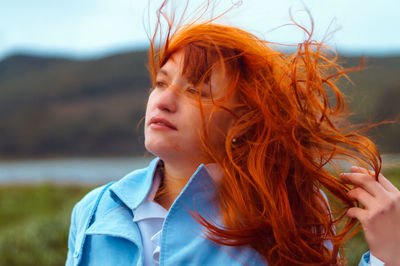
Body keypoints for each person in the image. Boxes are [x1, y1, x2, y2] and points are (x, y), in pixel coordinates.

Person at [66, 1, 400, 265]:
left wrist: (390, 254)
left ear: (243, 120)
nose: (164, 100)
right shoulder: (95, 210)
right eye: (162, 82)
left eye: (198, 90)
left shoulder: (285, 211)